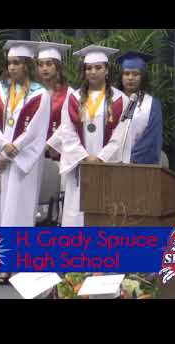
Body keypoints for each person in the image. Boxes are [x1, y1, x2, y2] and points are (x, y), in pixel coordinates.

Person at [0, 40, 50, 284]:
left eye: (17, 63)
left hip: (19, 165)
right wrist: (0, 151)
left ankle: (8, 264)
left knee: (15, 211)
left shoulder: (41, 94)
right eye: (10, 63)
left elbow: (36, 131)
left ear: (27, 65)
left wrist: (8, 152)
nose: (12, 67)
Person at [49, 44, 129, 227]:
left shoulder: (120, 100)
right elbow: (67, 132)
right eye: (89, 68)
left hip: (107, 167)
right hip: (80, 168)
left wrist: (100, 158)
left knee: (105, 213)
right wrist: (84, 158)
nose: (93, 72)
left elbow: (122, 134)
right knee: (76, 213)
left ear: (107, 70)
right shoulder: (74, 98)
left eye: (98, 67)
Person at [116, 51, 163, 164]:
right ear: (121, 77)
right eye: (126, 74)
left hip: (138, 165)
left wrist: (131, 159)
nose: (130, 78)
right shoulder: (112, 100)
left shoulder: (152, 104)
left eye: (135, 74)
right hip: (111, 163)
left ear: (142, 77)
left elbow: (151, 139)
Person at [36, 41, 74, 159]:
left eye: (49, 64)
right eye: (41, 64)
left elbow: (69, 125)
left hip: (60, 154)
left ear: (57, 67)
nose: (44, 68)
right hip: (34, 154)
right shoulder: (33, 93)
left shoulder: (70, 93)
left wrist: (49, 144)